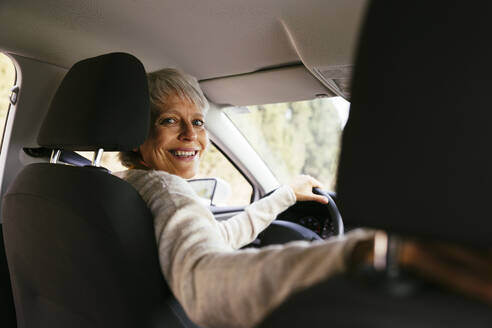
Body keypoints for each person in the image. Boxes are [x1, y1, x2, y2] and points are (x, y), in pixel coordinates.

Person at [115, 68, 491, 327]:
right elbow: (202, 284)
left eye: (197, 121)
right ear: (136, 134)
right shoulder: (169, 191)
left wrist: (281, 196)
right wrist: (361, 253)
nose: (191, 135)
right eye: (169, 120)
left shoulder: (124, 185)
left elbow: (213, 239)